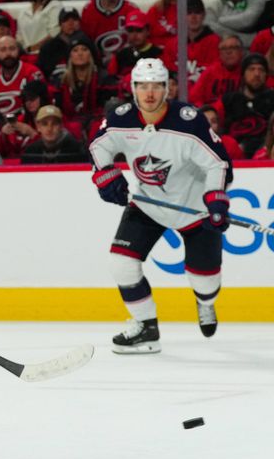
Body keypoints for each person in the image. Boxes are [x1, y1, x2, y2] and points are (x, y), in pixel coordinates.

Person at [89, 58, 233, 353]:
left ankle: (205, 303)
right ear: (133, 89)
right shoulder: (119, 118)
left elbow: (218, 163)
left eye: (156, 86)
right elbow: (98, 146)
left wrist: (216, 198)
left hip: (193, 209)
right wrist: (105, 174)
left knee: (205, 282)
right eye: (143, 86)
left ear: (167, 88)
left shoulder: (189, 121)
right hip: (147, 205)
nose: (150, 93)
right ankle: (146, 328)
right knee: (122, 264)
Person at [214, 54, 274, 158]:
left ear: (266, 75)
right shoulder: (228, 100)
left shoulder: (272, 98)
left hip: (267, 155)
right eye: (251, 69)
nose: (256, 74)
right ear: (243, 74)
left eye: (261, 70)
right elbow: (211, 121)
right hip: (233, 156)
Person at [0, 35, 46, 118]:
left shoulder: (32, 73)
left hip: (25, 123)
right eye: (3, 50)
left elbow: (42, 106)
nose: (8, 53)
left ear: (18, 50)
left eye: (12, 49)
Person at [20, 104, 88, 163]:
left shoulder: (77, 150)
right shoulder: (31, 152)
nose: (49, 129)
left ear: (61, 126)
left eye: (54, 124)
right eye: (45, 124)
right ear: (38, 127)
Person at [188, 35, 243, 106]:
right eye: (223, 48)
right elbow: (194, 98)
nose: (228, 52)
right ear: (219, 53)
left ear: (241, 51)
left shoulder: (247, 71)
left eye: (233, 47)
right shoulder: (210, 72)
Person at [80, 0, 138, 64]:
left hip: (128, 63)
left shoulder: (131, 9)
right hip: (98, 64)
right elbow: (84, 41)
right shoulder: (89, 9)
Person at [37, 8, 88, 81]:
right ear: (60, 24)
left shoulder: (87, 44)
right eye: (66, 20)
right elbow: (41, 73)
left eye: (74, 19)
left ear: (79, 23)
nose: (71, 23)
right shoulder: (48, 47)